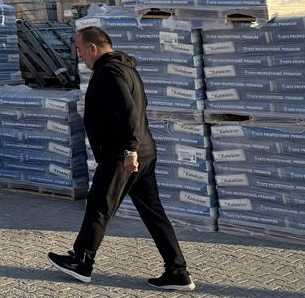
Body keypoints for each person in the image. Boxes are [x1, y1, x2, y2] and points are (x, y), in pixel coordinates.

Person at [48, 26, 195, 291]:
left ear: (93, 48)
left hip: (123, 155)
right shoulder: (126, 68)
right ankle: (178, 272)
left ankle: (81, 262)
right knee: (153, 214)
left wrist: (129, 151)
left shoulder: (108, 72)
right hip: (143, 151)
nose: (80, 57)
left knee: (99, 206)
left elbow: (128, 112)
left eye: (80, 51)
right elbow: (140, 108)